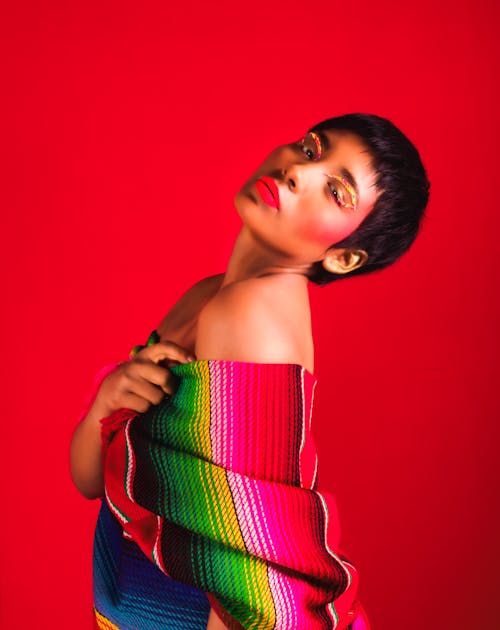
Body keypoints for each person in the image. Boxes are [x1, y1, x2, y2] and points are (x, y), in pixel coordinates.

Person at [70, 113, 429, 630]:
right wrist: (105, 405)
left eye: (336, 192)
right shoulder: (210, 295)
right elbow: (92, 482)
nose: (296, 172)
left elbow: (258, 588)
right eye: (311, 148)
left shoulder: (252, 317)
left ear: (345, 258)